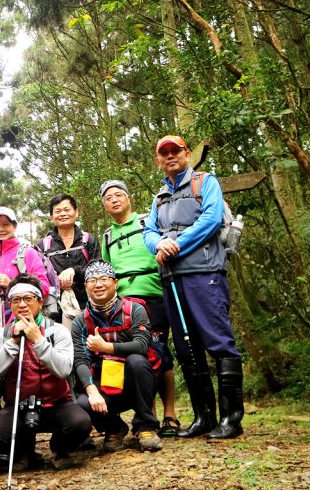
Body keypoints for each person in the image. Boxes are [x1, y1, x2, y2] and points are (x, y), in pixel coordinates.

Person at [143, 135, 245, 439]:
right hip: (171, 279)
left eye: (177, 151)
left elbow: (212, 219)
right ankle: (204, 417)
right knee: (187, 348)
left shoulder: (205, 182)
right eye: (165, 153)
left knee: (218, 341)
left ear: (187, 154)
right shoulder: (159, 197)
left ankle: (231, 419)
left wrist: (175, 244)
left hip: (205, 273)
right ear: (158, 161)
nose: (171, 156)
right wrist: (159, 243)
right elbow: (148, 231)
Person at [0, 274, 91, 471]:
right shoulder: (1, 334)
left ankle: (60, 448)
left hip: (57, 404)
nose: (22, 304)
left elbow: (64, 369)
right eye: (16, 300)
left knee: (80, 424)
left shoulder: (58, 331)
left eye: (28, 299)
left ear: (40, 302)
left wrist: (38, 340)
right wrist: (13, 342)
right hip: (19, 406)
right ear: (10, 304)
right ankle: (24, 450)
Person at [99, 179, 180, 437]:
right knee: (138, 357)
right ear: (104, 205)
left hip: (154, 294)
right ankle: (150, 415)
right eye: (108, 197)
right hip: (124, 305)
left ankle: (170, 414)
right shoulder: (107, 235)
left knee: (160, 352)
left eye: (118, 194)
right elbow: (107, 269)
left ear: (129, 198)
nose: (114, 199)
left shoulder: (149, 223)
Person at [71, 261, 162, 452]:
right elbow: (80, 359)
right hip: (103, 384)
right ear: (86, 286)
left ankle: (145, 426)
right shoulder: (81, 320)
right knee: (82, 401)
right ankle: (114, 428)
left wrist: (106, 347)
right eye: (92, 280)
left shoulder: (134, 310)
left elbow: (142, 345)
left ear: (115, 283)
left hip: (135, 382)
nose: (98, 284)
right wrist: (91, 391)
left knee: (137, 361)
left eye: (104, 279)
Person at [35, 194, 99, 328]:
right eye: (58, 211)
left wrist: (74, 271)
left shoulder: (88, 240)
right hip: (54, 309)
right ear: (51, 216)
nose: (63, 214)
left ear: (76, 212)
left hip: (88, 305)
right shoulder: (43, 245)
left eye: (67, 210)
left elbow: (97, 269)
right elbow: (38, 276)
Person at [0, 207, 51, 329]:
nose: (1, 229)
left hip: (27, 322)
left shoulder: (27, 253)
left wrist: (12, 285)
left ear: (14, 226)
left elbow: (44, 288)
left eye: (6, 224)